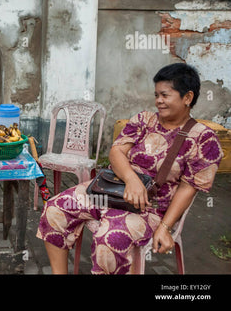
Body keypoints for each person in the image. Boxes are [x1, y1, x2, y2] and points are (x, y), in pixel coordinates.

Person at [36, 63, 224, 274]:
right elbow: (116, 152)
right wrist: (132, 179)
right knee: (54, 208)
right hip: (111, 190)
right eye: (156, 95)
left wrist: (165, 228)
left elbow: (188, 188)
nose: (158, 101)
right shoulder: (144, 120)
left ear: (187, 97)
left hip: (152, 207)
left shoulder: (204, 139)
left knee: (110, 239)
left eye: (165, 95)